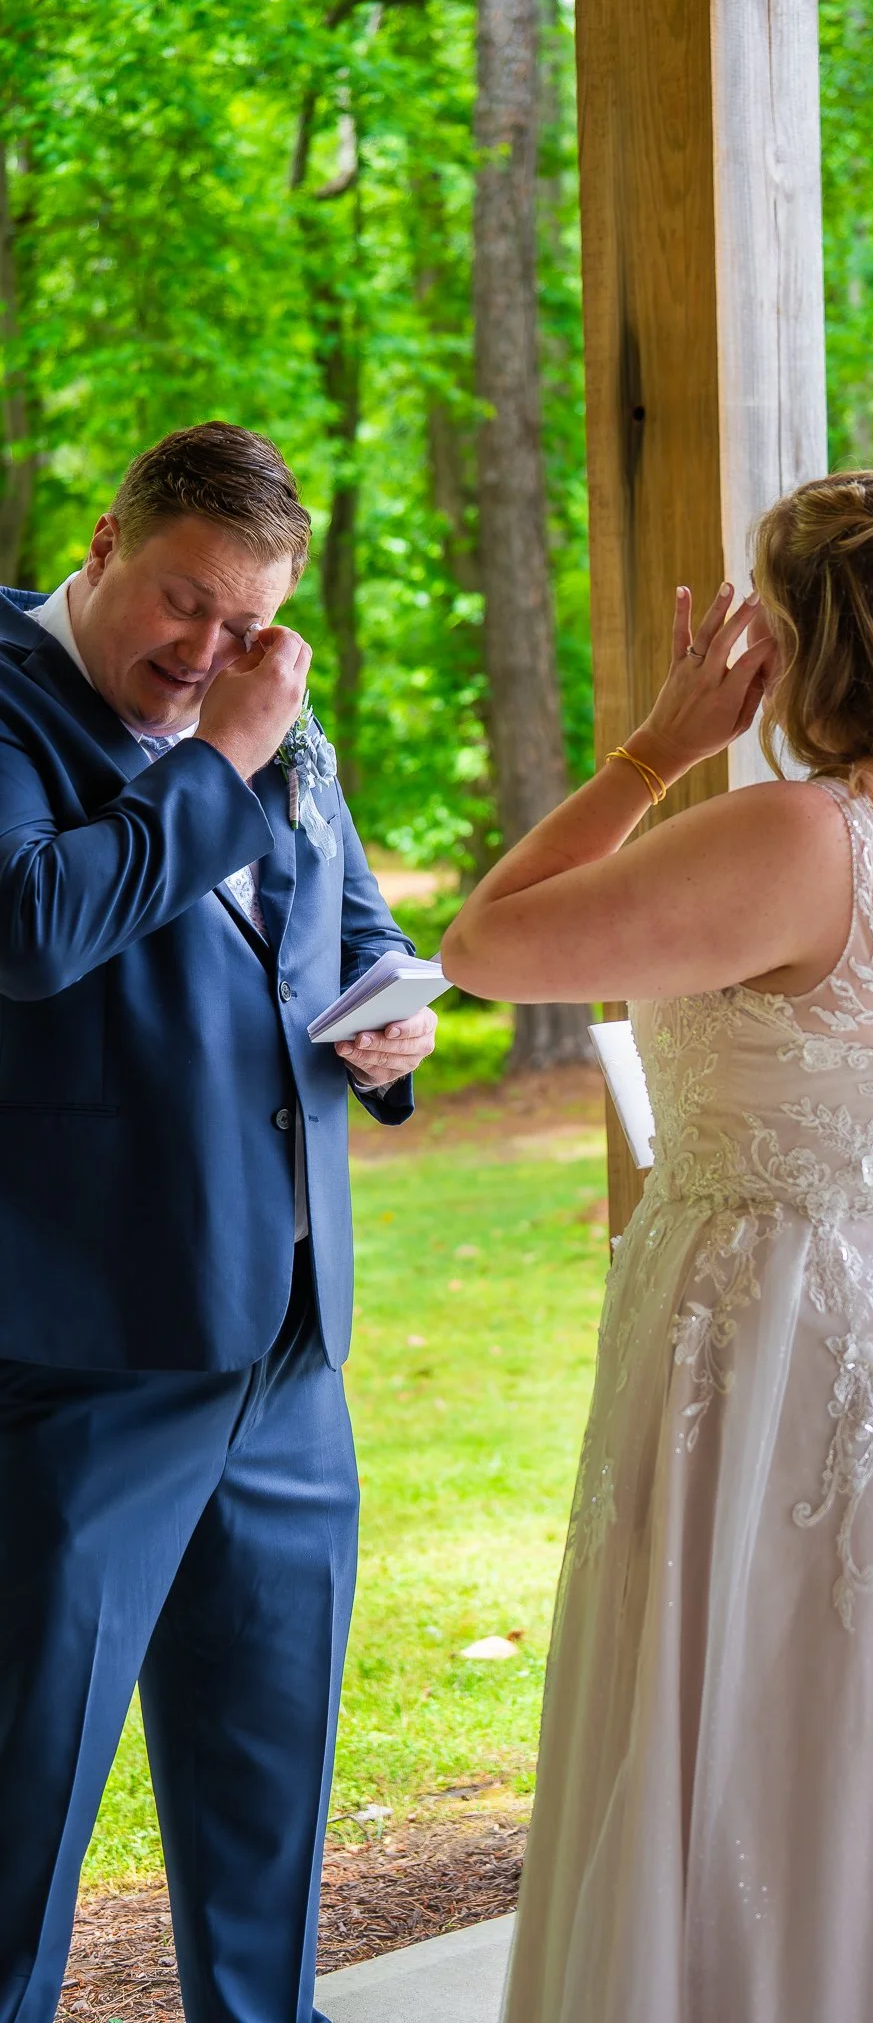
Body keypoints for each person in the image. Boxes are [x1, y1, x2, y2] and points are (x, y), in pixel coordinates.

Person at [441, 470, 873, 2023]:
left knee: (799, 1741)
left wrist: (655, 747)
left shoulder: (795, 838)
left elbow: (484, 942)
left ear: (796, 642)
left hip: (796, 1371)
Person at [0, 422, 436, 2023]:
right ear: (107, 540)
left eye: (247, 627)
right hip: (87, 1345)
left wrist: (394, 1031)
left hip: (286, 1341)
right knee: (23, 1806)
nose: (208, 653)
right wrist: (225, 756)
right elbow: (30, 931)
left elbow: (348, 918)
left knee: (271, 1802)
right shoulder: (9, 696)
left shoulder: (271, 718)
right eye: (185, 603)